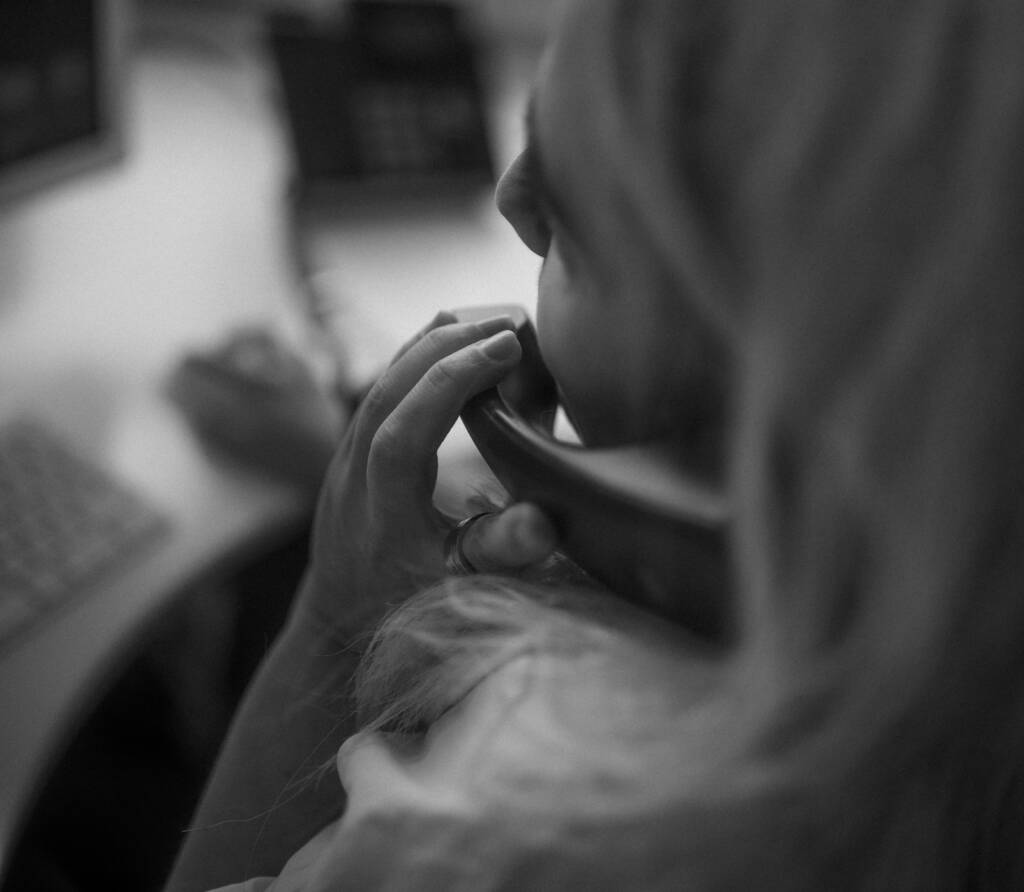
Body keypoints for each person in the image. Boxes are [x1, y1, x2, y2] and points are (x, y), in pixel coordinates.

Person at [166, 0, 1024, 889]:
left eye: (571, 220)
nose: (513, 203)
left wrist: (335, 619)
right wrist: (329, 454)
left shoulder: (498, 824)